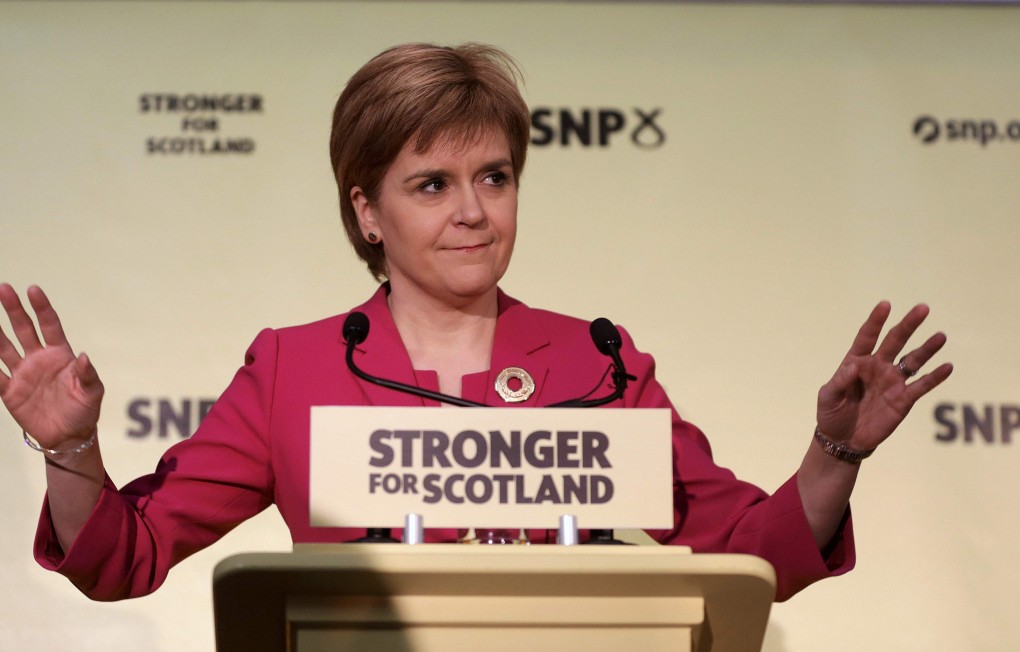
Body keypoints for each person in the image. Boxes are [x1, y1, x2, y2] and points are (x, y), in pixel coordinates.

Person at [0, 43, 952, 603]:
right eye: (433, 184)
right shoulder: (293, 370)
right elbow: (125, 555)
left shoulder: (597, 362)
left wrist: (835, 450)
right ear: (367, 210)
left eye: (494, 177)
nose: (473, 211)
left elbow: (754, 551)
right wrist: (73, 450)